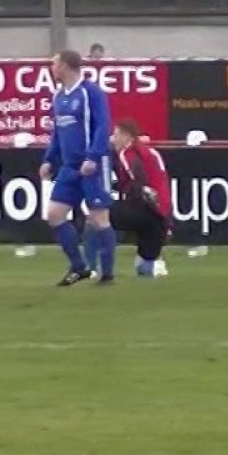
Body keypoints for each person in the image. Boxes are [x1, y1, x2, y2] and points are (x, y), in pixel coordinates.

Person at [40, 49, 116, 286]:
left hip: (92, 164)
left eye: (54, 64)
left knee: (98, 218)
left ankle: (107, 274)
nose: (52, 69)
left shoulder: (90, 92)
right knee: (54, 214)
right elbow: (57, 133)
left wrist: (93, 156)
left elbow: (103, 126)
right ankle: (79, 266)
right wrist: (48, 159)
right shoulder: (58, 96)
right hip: (70, 166)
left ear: (64, 66)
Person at [110, 119, 171, 278]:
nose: (113, 139)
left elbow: (137, 178)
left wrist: (133, 193)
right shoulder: (150, 152)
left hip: (147, 209)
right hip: (161, 213)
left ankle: (93, 267)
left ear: (126, 137)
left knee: (97, 218)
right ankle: (155, 263)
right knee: (143, 268)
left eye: (115, 135)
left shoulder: (127, 154)